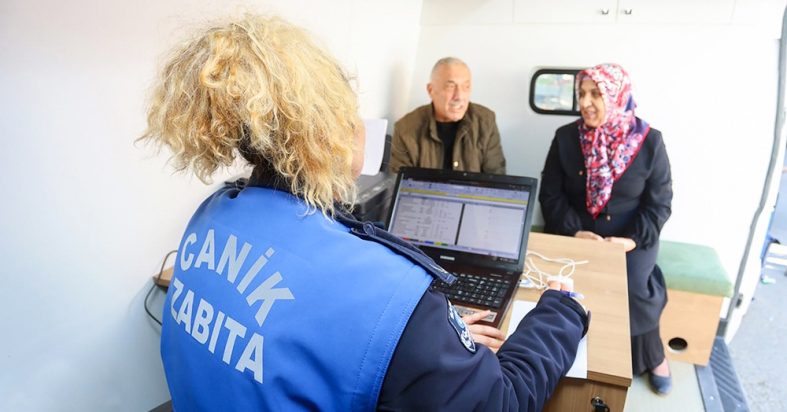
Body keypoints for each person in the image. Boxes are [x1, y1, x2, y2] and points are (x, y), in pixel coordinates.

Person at [141, 15, 589, 410]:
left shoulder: (212, 215)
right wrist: (561, 310)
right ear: (330, 128)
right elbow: (500, 402)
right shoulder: (388, 291)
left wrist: (435, 341)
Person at [538, 63, 673, 395]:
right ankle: (569, 353)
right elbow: (550, 194)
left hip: (630, 240)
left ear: (617, 96)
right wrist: (574, 233)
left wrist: (628, 241)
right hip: (578, 234)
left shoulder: (650, 141)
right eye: (581, 94)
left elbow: (660, 204)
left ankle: (653, 355)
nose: (585, 102)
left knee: (634, 286)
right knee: (562, 282)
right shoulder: (566, 138)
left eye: (596, 93)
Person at [388, 57, 506, 174]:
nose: (459, 96)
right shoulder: (406, 129)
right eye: (451, 86)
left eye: (466, 87)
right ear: (431, 90)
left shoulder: (485, 121)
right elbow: (400, 184)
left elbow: (496, 180)